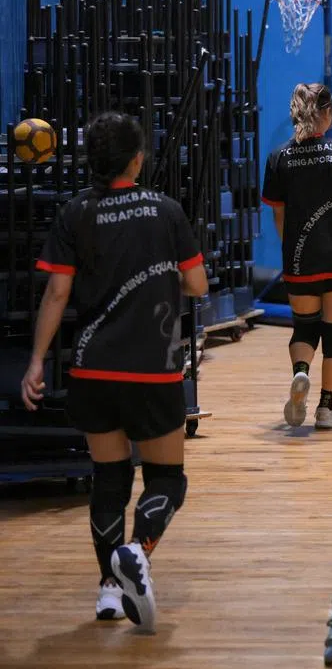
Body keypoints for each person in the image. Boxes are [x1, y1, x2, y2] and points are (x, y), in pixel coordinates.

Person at [21, 111, 208, 632]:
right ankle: (137, 551)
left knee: (109, 476)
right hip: (154, 371)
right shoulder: (166, 210)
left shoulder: (74, 212)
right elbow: (198, 285)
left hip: (93, 371)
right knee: (167, 477)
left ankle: (108, 588)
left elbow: (56, 293)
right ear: (136, 159)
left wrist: (36, 360)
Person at [262, 83, 332, 428]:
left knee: (305, 329)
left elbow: (278, 215)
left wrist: (292, 247)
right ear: (327, 113)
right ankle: (325, 408)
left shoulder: (278, 158)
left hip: (299, 259)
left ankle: (300, 373)